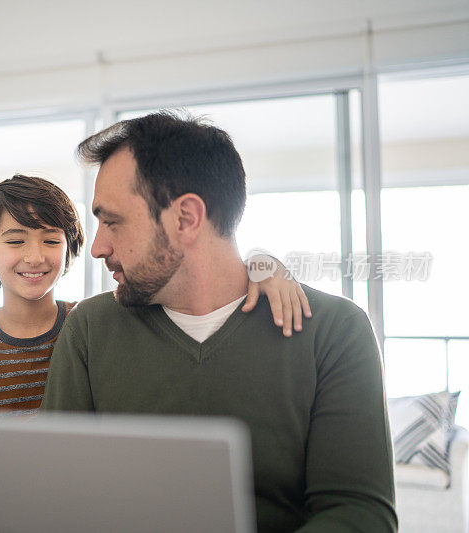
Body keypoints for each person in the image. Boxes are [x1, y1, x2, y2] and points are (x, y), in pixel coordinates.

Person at [40, 113, 396, 532]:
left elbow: (360, 515)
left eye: (113, 221)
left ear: (187, 218)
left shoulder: (335, 332)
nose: (97, 247)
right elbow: (54, 496)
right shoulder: (89, 330)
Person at [0, 174, 309, 417]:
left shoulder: (93, 323)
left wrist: (263, 263)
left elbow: (183, 279)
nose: (35, 256)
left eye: (51, 240)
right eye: (15, 241)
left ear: (70, 247)